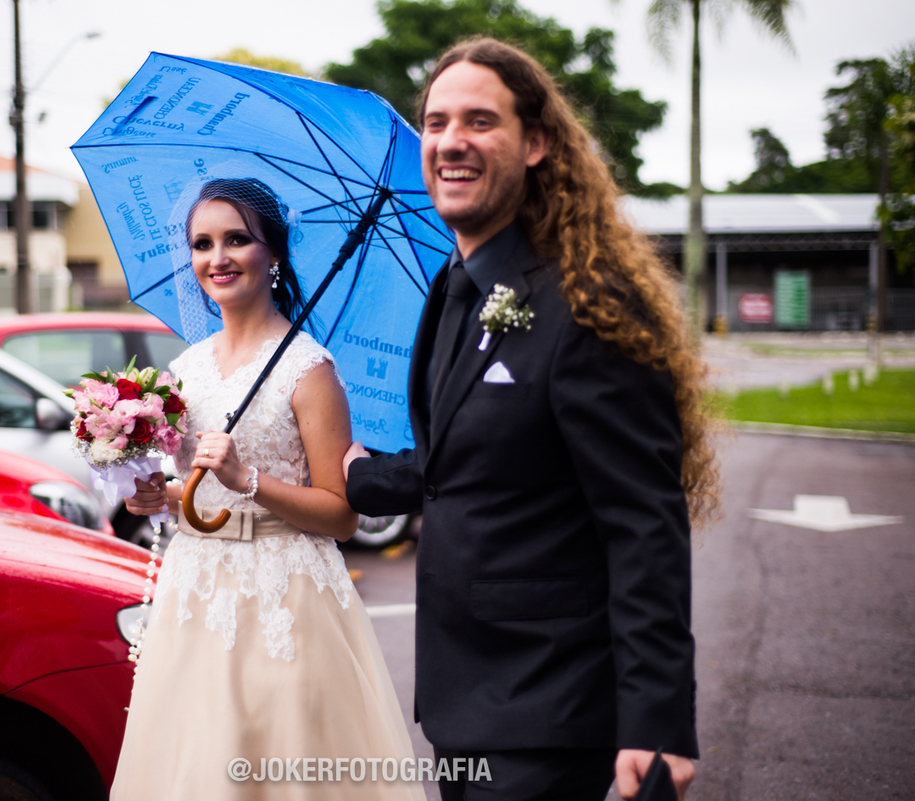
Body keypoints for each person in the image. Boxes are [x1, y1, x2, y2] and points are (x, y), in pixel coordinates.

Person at [343, 38, 718, 801]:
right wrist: (357, 474)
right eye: (437, 122)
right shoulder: (452, 290)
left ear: (538, 142)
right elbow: (459, 462)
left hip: (550, 705)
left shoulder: (590, 304)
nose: (451, 141)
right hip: (460, 702)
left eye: (480, 121)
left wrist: (656, 720)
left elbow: (643, 522)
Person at [113, 178, 426, 801]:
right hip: (195, 589)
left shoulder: (309, 370)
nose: (217, 257)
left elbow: (341, 518)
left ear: (273, 254)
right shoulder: (184, 369)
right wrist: (159, 495)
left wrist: (248, 479)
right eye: (202, 243)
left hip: (284, 595)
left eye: (237, 239)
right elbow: (198, 496)